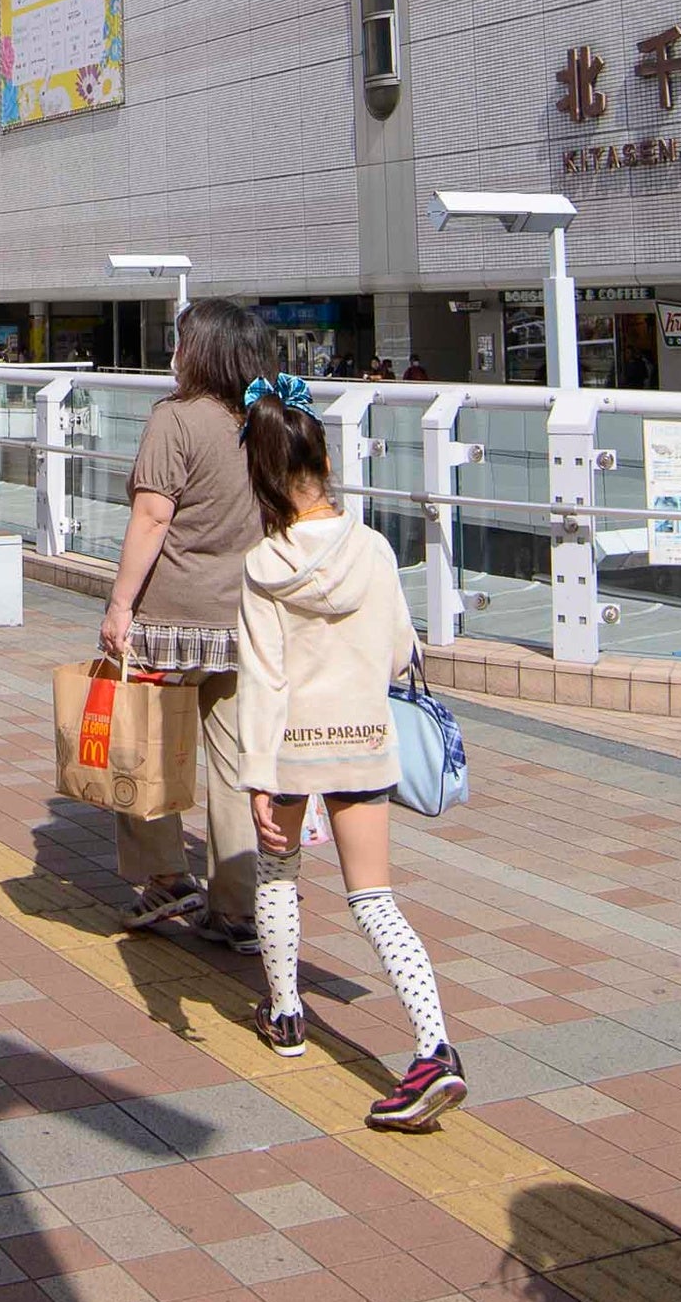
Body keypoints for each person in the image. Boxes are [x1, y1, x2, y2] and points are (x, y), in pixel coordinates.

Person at [232, 368, 467, 1128]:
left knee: (277, 870)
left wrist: (258, 778)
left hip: (292, 744)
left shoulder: (263, 568)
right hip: (364, 738)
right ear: (325, 462)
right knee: (374, 899)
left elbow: (261, 680)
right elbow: (401, 651)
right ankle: (433, 1044)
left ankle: (288, 1012)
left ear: (262, 477)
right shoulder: (372, 550)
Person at [96, 296, 270, 950]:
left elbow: (152, 517)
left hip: (170, 616)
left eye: (179, 341)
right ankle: (238, 904)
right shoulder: (267, 418)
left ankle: (166, 877)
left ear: (196, 352)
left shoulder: (175, 419)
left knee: (146, 746)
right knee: (235, 763)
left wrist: (119, 606)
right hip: (247, 619)